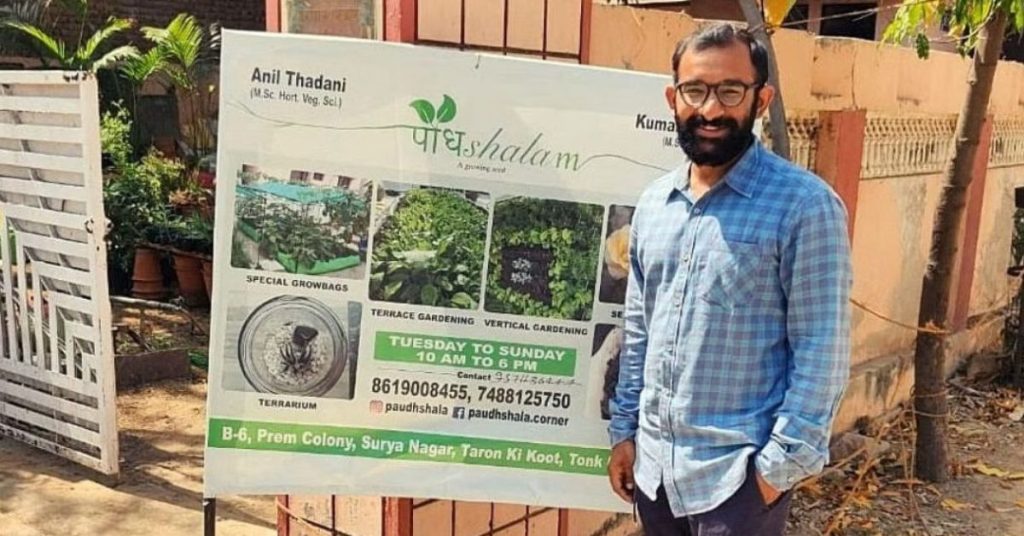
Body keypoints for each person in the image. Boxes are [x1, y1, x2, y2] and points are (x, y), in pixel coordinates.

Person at [606, 22, 852, 536]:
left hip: (737, 484)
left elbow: (821, 350)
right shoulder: (654, 205)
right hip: (655, 477)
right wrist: (624, 432)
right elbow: (639, 331)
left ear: (761, 100)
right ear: (673, 99)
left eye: (730, 91)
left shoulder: (805, 206)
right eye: (696, 90)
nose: (711, 110)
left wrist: (773, 473)